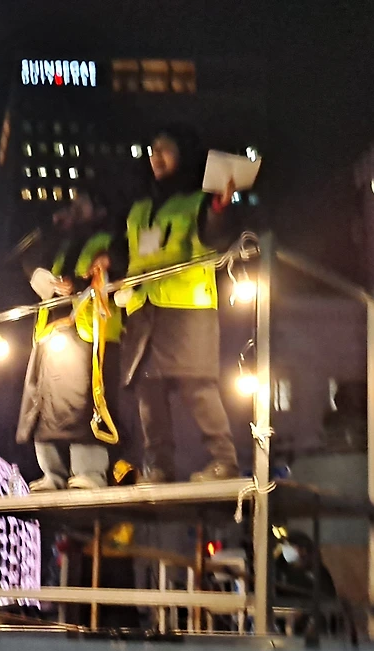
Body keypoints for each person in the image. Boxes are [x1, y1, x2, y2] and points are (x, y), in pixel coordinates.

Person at [101, 123, 242, 483]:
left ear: (183, 154)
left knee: (198, 387)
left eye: (165, 149)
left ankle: (224, 461)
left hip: (186, 310)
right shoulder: (139, 207)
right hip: (143, 310)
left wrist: (220, 208)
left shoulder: (197, 201)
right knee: (148, 391)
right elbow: (123, 252)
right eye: (153, 150)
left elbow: (216, 236)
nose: (156, 157)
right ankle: (159, 467)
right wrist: (106, 262)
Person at [15, 191, 123, 491]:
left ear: (99, 210)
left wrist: (88, 275)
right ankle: (53, 473)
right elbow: (32, 259)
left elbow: (122, 262)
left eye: (82, 203)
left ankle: (90, 472)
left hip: (90, 331)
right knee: (44, 405)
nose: (74, 208)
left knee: (83, 406)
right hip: (53, 331)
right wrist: (53, 227)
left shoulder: (110, 238)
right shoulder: (62, 241)